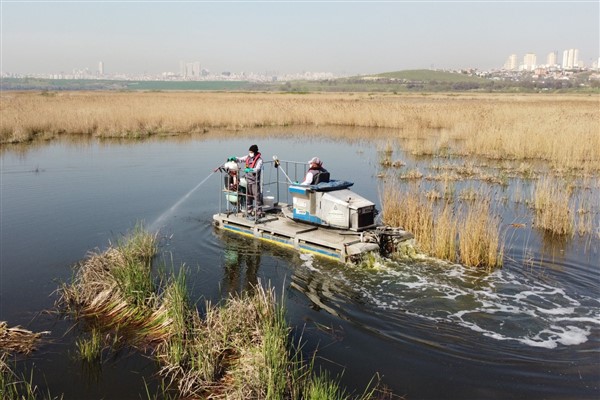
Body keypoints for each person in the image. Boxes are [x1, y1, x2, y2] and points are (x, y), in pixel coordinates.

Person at [228, 144, 263, 217]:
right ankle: (249, 211)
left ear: (255, 152)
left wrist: (250, 169)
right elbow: (240, 159)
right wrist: (234, 158)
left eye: (251, 152)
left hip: (255, 182)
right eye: (249, 152)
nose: (250, 153)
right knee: (248, 197)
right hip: (248, 181)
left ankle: (259, 212)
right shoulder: (248, 157)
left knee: (257, 197)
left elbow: (257, 169)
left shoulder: (259, 160)